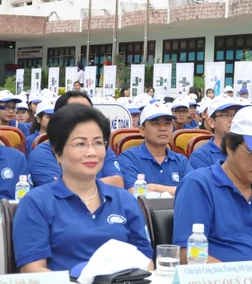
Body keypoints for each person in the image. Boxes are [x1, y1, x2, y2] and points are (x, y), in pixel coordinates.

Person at [13, 105, 152, 274]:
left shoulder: (124, 199)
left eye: (98, 143)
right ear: (57, 152)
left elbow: (146, 262)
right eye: (80, 144)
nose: (92, 152)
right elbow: (32, 269)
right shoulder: (36, 202)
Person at [172, 105, 252, 264]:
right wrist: (245, 278)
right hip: (221, 283)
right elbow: (188, 255)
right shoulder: (199, 185)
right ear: (229, 146)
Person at [27, 91, 123, 188]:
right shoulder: (42, 153)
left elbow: (118, 183)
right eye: (76, 112)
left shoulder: (102, 148)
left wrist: (76, 185)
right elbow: (61, 190)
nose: (84, 118)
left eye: (88, 112)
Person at [118, 102, 192, 196]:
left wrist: (154, 187)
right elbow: (133, 193)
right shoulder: (129, 158)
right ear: (142, 130)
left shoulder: (181, 161)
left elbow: (192, 191)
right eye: (156, 123)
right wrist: (175, 192)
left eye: (167, 123)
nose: (163, 128)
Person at [188, 97, 246, 170]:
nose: (232, 120)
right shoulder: (201, 156)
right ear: (211, 122)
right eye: (226, 115)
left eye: (235, 115)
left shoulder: (248, 150)